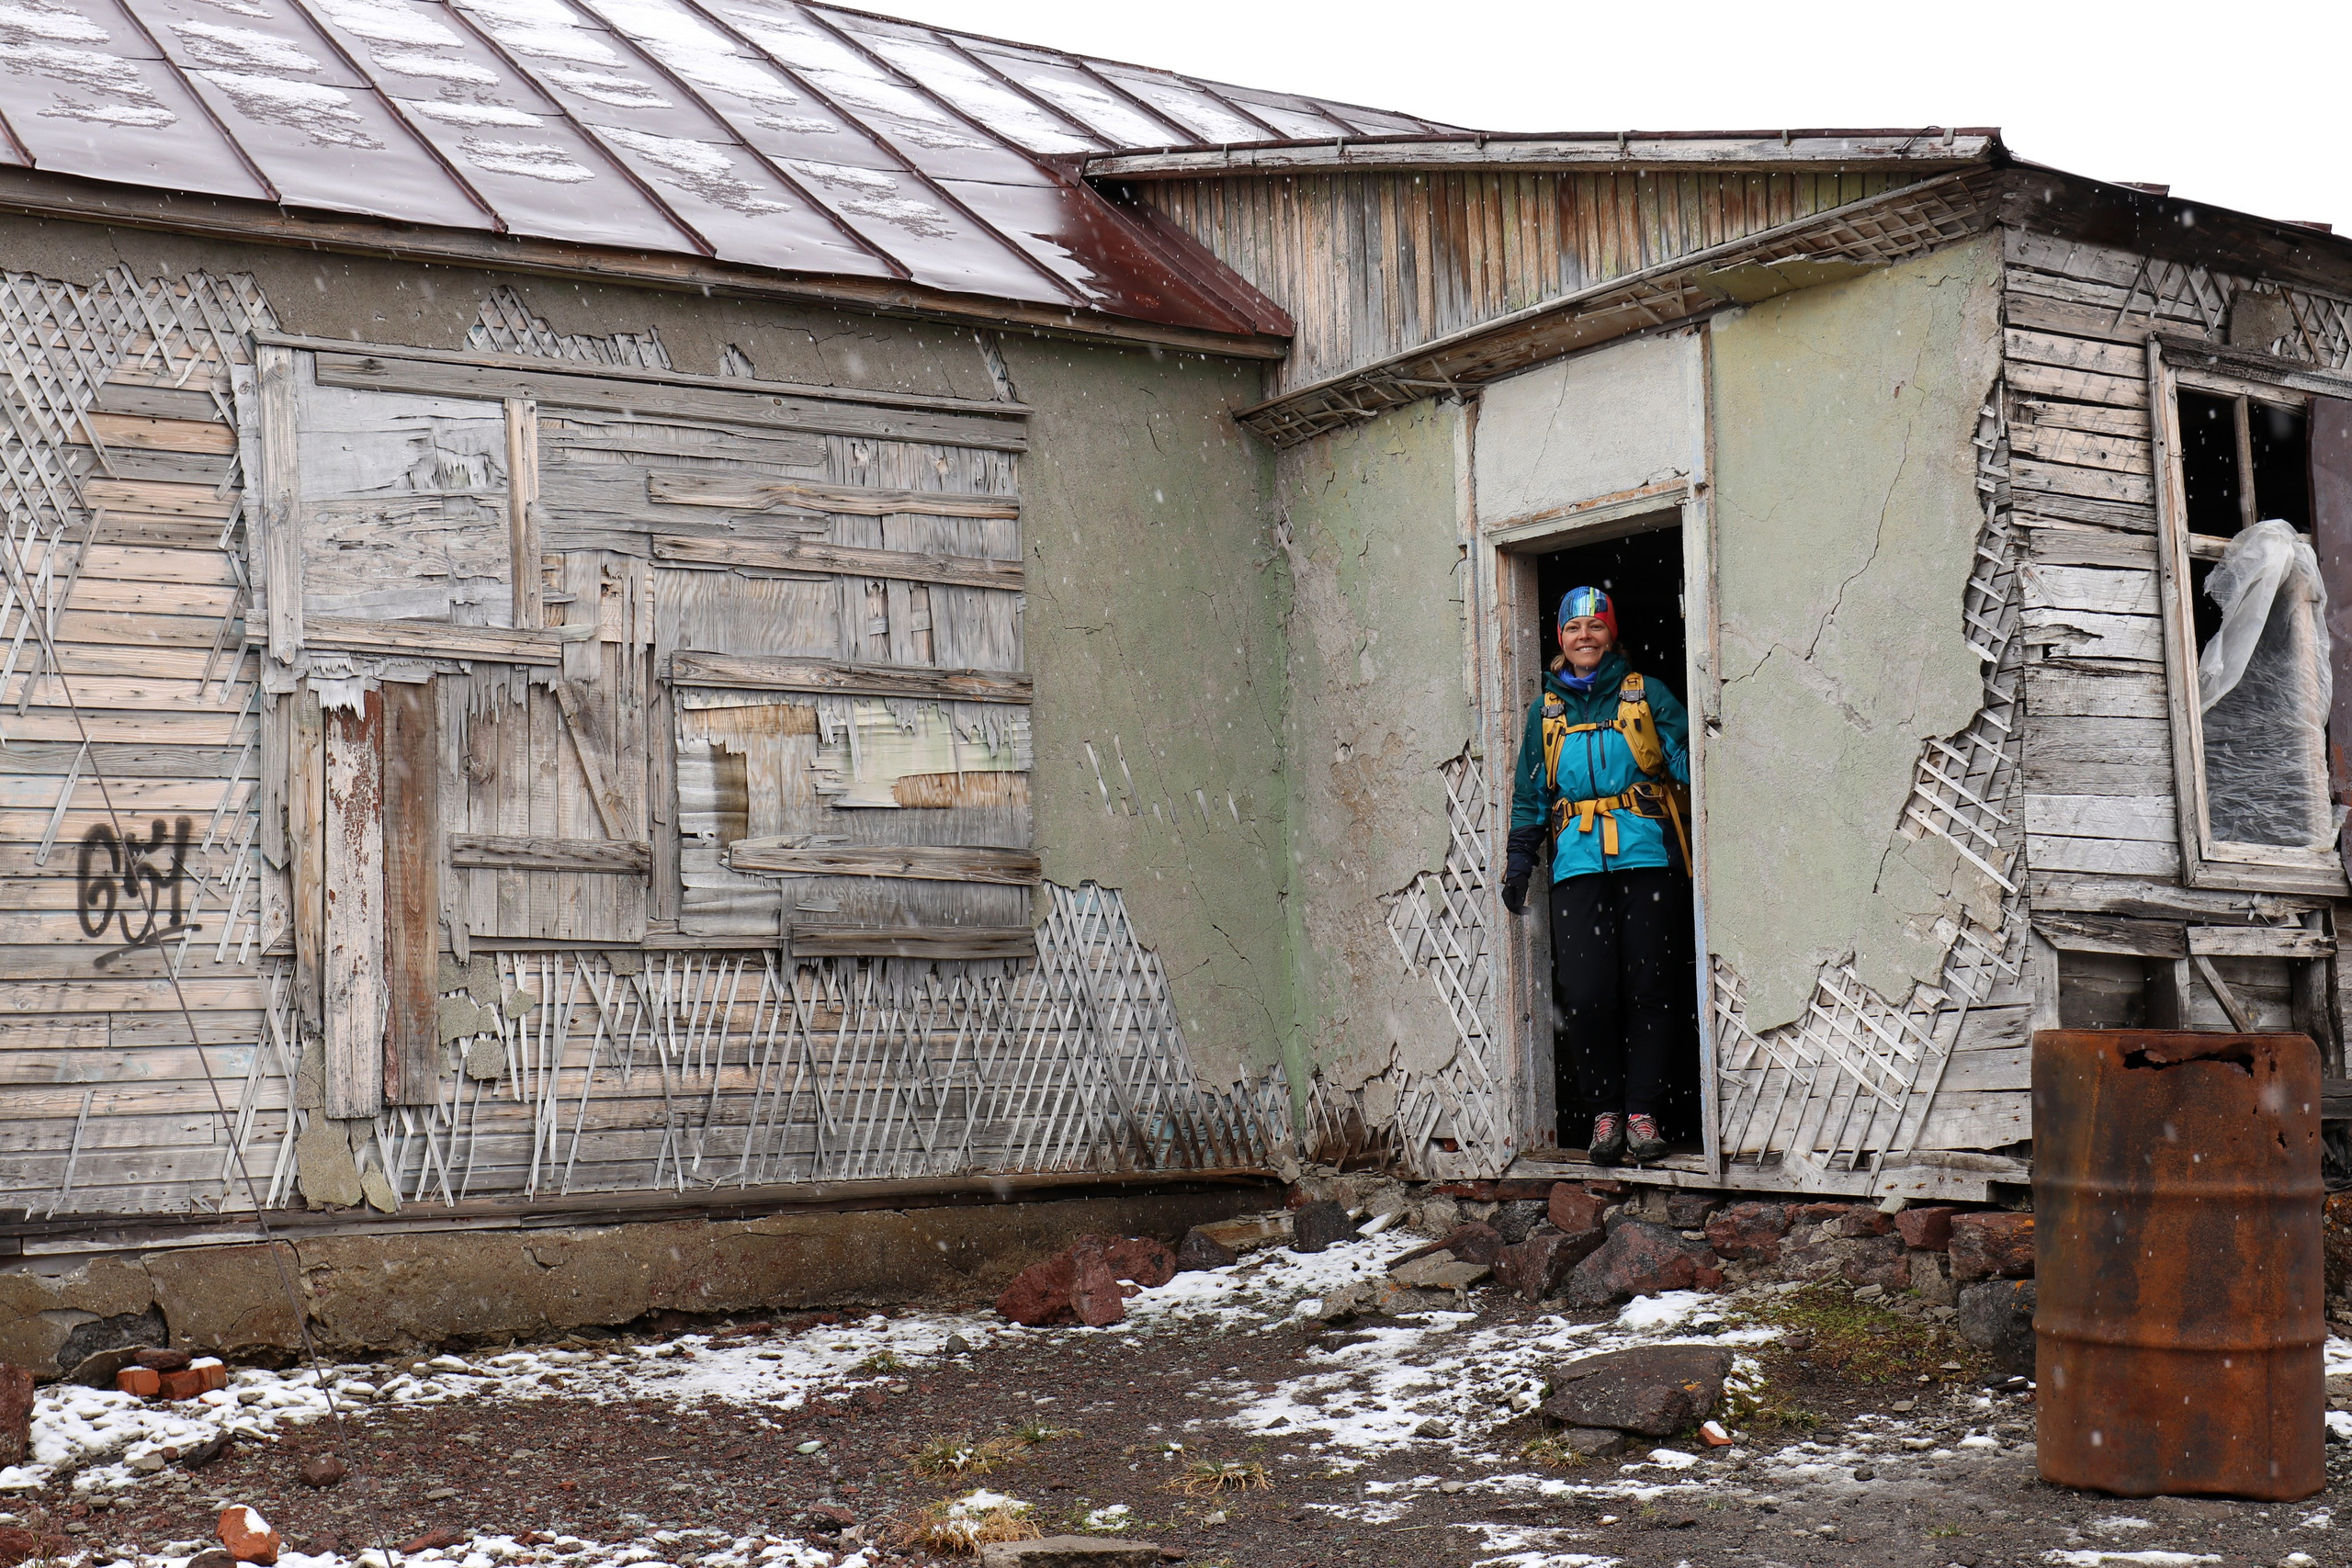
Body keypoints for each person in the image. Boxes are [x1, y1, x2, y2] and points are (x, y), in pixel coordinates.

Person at [1501, 586, 1691, 1167]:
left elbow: (1694, 762)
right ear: (1560, 639)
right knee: (1586, 995)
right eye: (1574, 628)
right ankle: (1604, 1113)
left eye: (1596, 627)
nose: (1585, 636)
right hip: (1577, 866)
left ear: (1612, 635)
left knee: (1650, 989)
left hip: (1646, 859)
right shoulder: (1546, 711)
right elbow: (1532, 791)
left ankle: (1643, 1113)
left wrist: (1681, 744)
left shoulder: (1646, 694)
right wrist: (1520, 858)